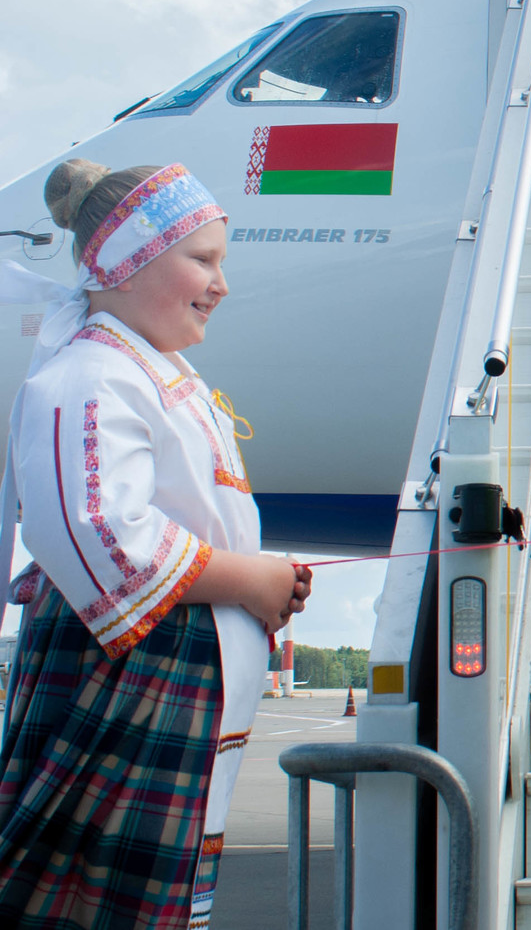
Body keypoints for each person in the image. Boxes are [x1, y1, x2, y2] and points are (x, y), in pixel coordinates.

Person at [0, 159, 311, 927]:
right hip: (129, 676)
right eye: (202, 260)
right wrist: (249, 581)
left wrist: (262, 581)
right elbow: (103, 533)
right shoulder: (90, 375)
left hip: (156, 673)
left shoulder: (149, 373)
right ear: (126, 262)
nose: (221, 285)